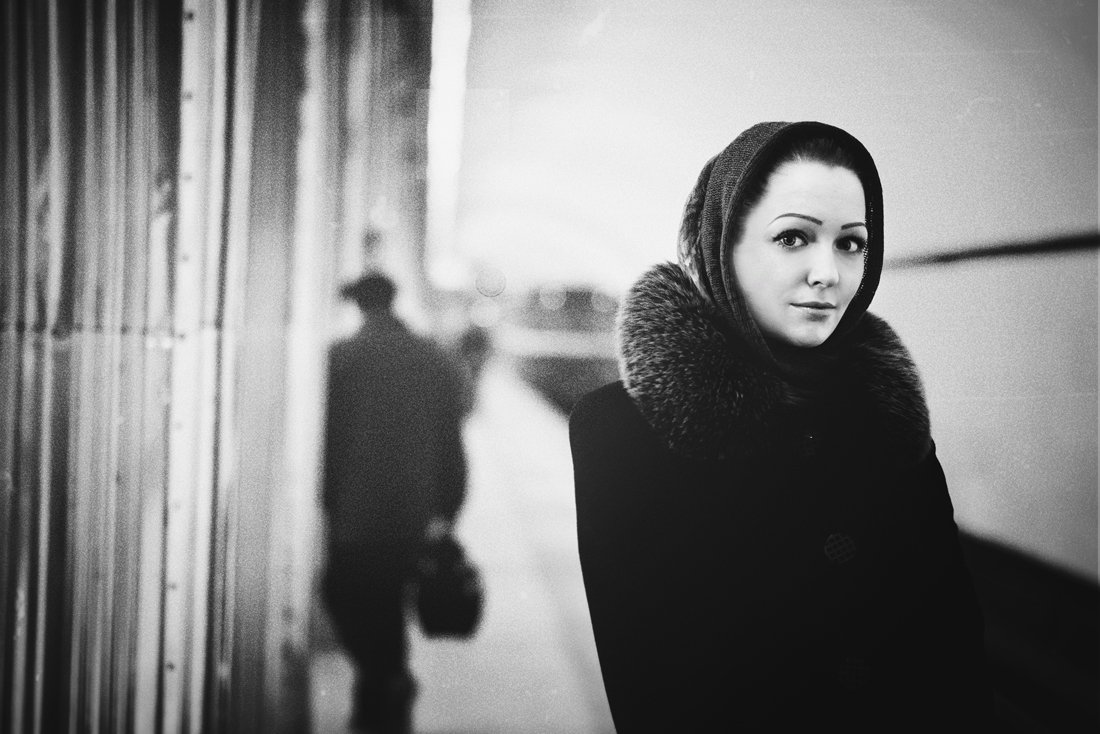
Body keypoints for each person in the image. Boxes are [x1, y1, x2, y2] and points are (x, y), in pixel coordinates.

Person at [568, 121, 994, 731]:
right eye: (793, 237)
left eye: (851, 243)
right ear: (722, 245)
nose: (828, 273)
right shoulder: (624, 431)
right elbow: (654, 693)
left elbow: (957, 647)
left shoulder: (891, 424)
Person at [321, 271, 468, 734]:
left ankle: (385, 690)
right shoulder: (433, 356)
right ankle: (384, 694)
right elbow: (451, 442)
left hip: (357, 511)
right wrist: (449, 510)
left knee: (351, 598)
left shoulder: (342, 357)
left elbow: (329, 443)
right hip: (415, 509)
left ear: (360, 306)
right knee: (386, 604)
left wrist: (327, 501)